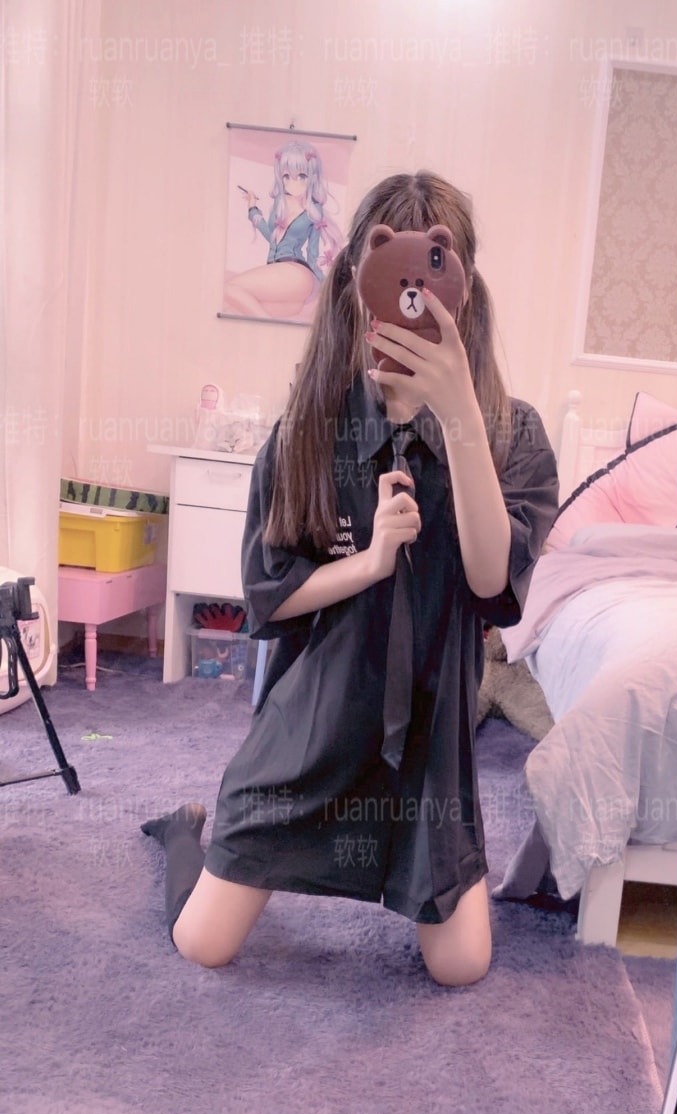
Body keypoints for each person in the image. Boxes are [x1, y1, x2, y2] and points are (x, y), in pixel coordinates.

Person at [142, 171, 560, 987]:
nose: (408, 303)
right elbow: (270, 593)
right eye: (387, 278)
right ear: (355, 287)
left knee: (462, 965)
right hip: (316, 725)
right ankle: (184, 831)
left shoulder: (511, 434)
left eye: (431, 277)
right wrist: (366, 564)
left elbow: (490, 583)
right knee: (203, 944)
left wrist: (459, 416)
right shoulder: (308, 431)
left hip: (429, 748)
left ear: (463, 293)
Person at [223, 140, 344, 321]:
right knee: (255, 308)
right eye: (287, 176)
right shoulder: (279, 203)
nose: (293, 183)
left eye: (301, 176)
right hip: (281, 274)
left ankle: (265, 329)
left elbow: (312, 254)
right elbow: (271, 236)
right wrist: (253, 208)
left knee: (230, 288)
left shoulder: (314, 210)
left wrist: (324, 288)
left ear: (312, 176)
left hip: (297, 273)